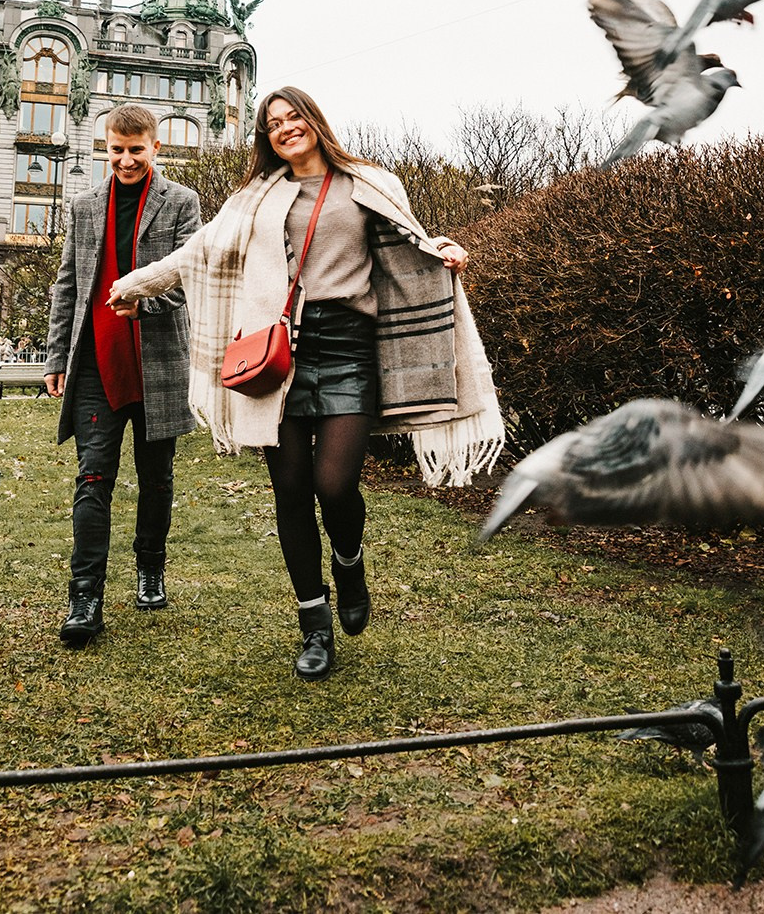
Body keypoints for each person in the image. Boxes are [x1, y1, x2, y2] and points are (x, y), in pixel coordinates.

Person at [108, 87, 505, 681]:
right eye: (273, 124)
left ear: (315, 121)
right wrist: (138, 283)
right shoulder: (255, 196)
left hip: (349, 348)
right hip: (278, 353)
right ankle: (314, 623)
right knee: (291, 490)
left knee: (335, 482)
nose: (286, 129)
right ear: (266, 138)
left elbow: (411, 241)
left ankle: (349, 560)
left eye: (294, 118)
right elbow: (200, 251)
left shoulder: (370, 182)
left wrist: (443, 247)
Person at [44, 103, 202, 647]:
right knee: (93, 477)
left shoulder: (182, 202)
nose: (126, 159)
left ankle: (150, 570)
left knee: (156, 478)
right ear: (105, 148)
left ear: (156, 148)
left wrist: (147, 306)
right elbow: (67, 285)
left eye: (137, 150)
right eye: (117, 149)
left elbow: (190, 277)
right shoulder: (85, 206)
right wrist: (56, 359)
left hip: (158, 361)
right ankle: (84, 597)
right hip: (95, 362)